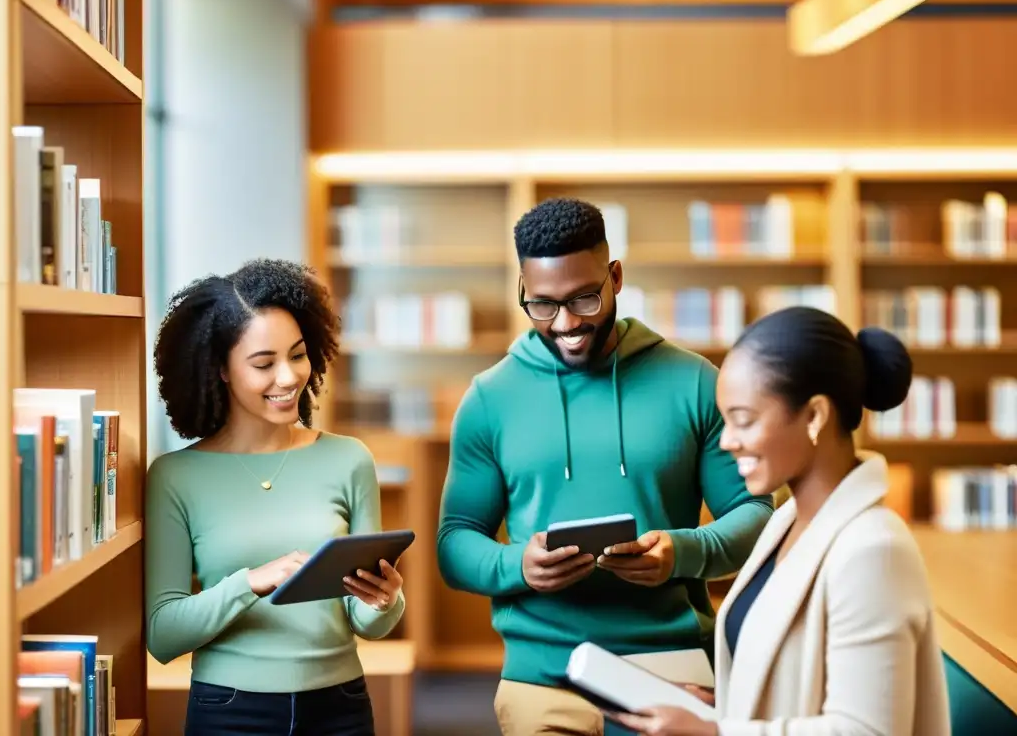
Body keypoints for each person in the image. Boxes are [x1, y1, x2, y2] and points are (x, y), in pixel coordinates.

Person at [436, 198, 775, 735]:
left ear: (615, 277)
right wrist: (516, 567)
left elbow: (757, 512)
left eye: (584, 298)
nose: (566, 323)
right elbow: (454, 543)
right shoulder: (489, 398)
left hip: (673, 675)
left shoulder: (694, 383)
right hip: (541, 679)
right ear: (523, 291)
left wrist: (683, 552)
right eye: (543, 305)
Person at [607, 306, 952, 736]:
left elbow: (867, 731)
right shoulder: (786, 522)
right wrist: (722, 709)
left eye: (744, 420)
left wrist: (716, 733)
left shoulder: (873, 549)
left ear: (814, 416)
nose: (728, 441)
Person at [145, 258, 405, 736]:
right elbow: (163, 634)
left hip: (340, 705)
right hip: (229, 711)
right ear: (220, 369)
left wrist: (385, 602)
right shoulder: (175, 476)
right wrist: (251, 582)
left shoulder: (349, 459)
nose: (288, 378)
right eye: (264, 364)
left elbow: (366, 624)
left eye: (299, 355)